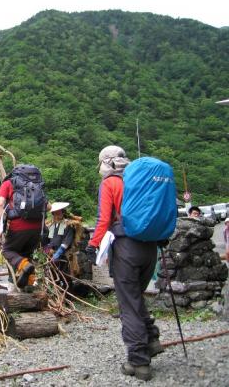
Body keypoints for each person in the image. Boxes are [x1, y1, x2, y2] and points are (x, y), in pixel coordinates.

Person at [86, 145, 162, 381]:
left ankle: (139, 363)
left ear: (106, 162)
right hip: (150, 246)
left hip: (126, 247)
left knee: (127, 304)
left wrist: (93, 245)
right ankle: (152, 339)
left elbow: (104, 219)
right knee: (135, 296)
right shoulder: (141, 179)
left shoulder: (110, 183)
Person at [0, 165, 50, 290]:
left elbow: (0, 204)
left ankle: (24, 267)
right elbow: (48, 206)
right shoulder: (37, 185)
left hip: (18, 226)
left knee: (7, 250)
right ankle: (28, 285)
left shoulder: (8, 183)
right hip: (37, 228)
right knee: (26, 254)